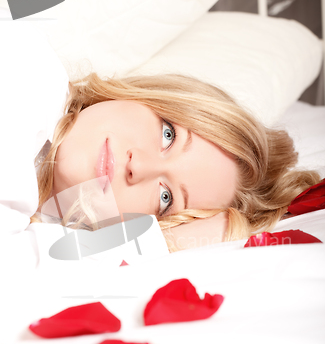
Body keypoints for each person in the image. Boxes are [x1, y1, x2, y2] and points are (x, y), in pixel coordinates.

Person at [30, 72, 321, 252]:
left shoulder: (38, 237)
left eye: (165, 197)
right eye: (168, 135)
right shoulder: (27, 71)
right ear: (152, 96)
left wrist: (173, 243)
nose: (139, 167)